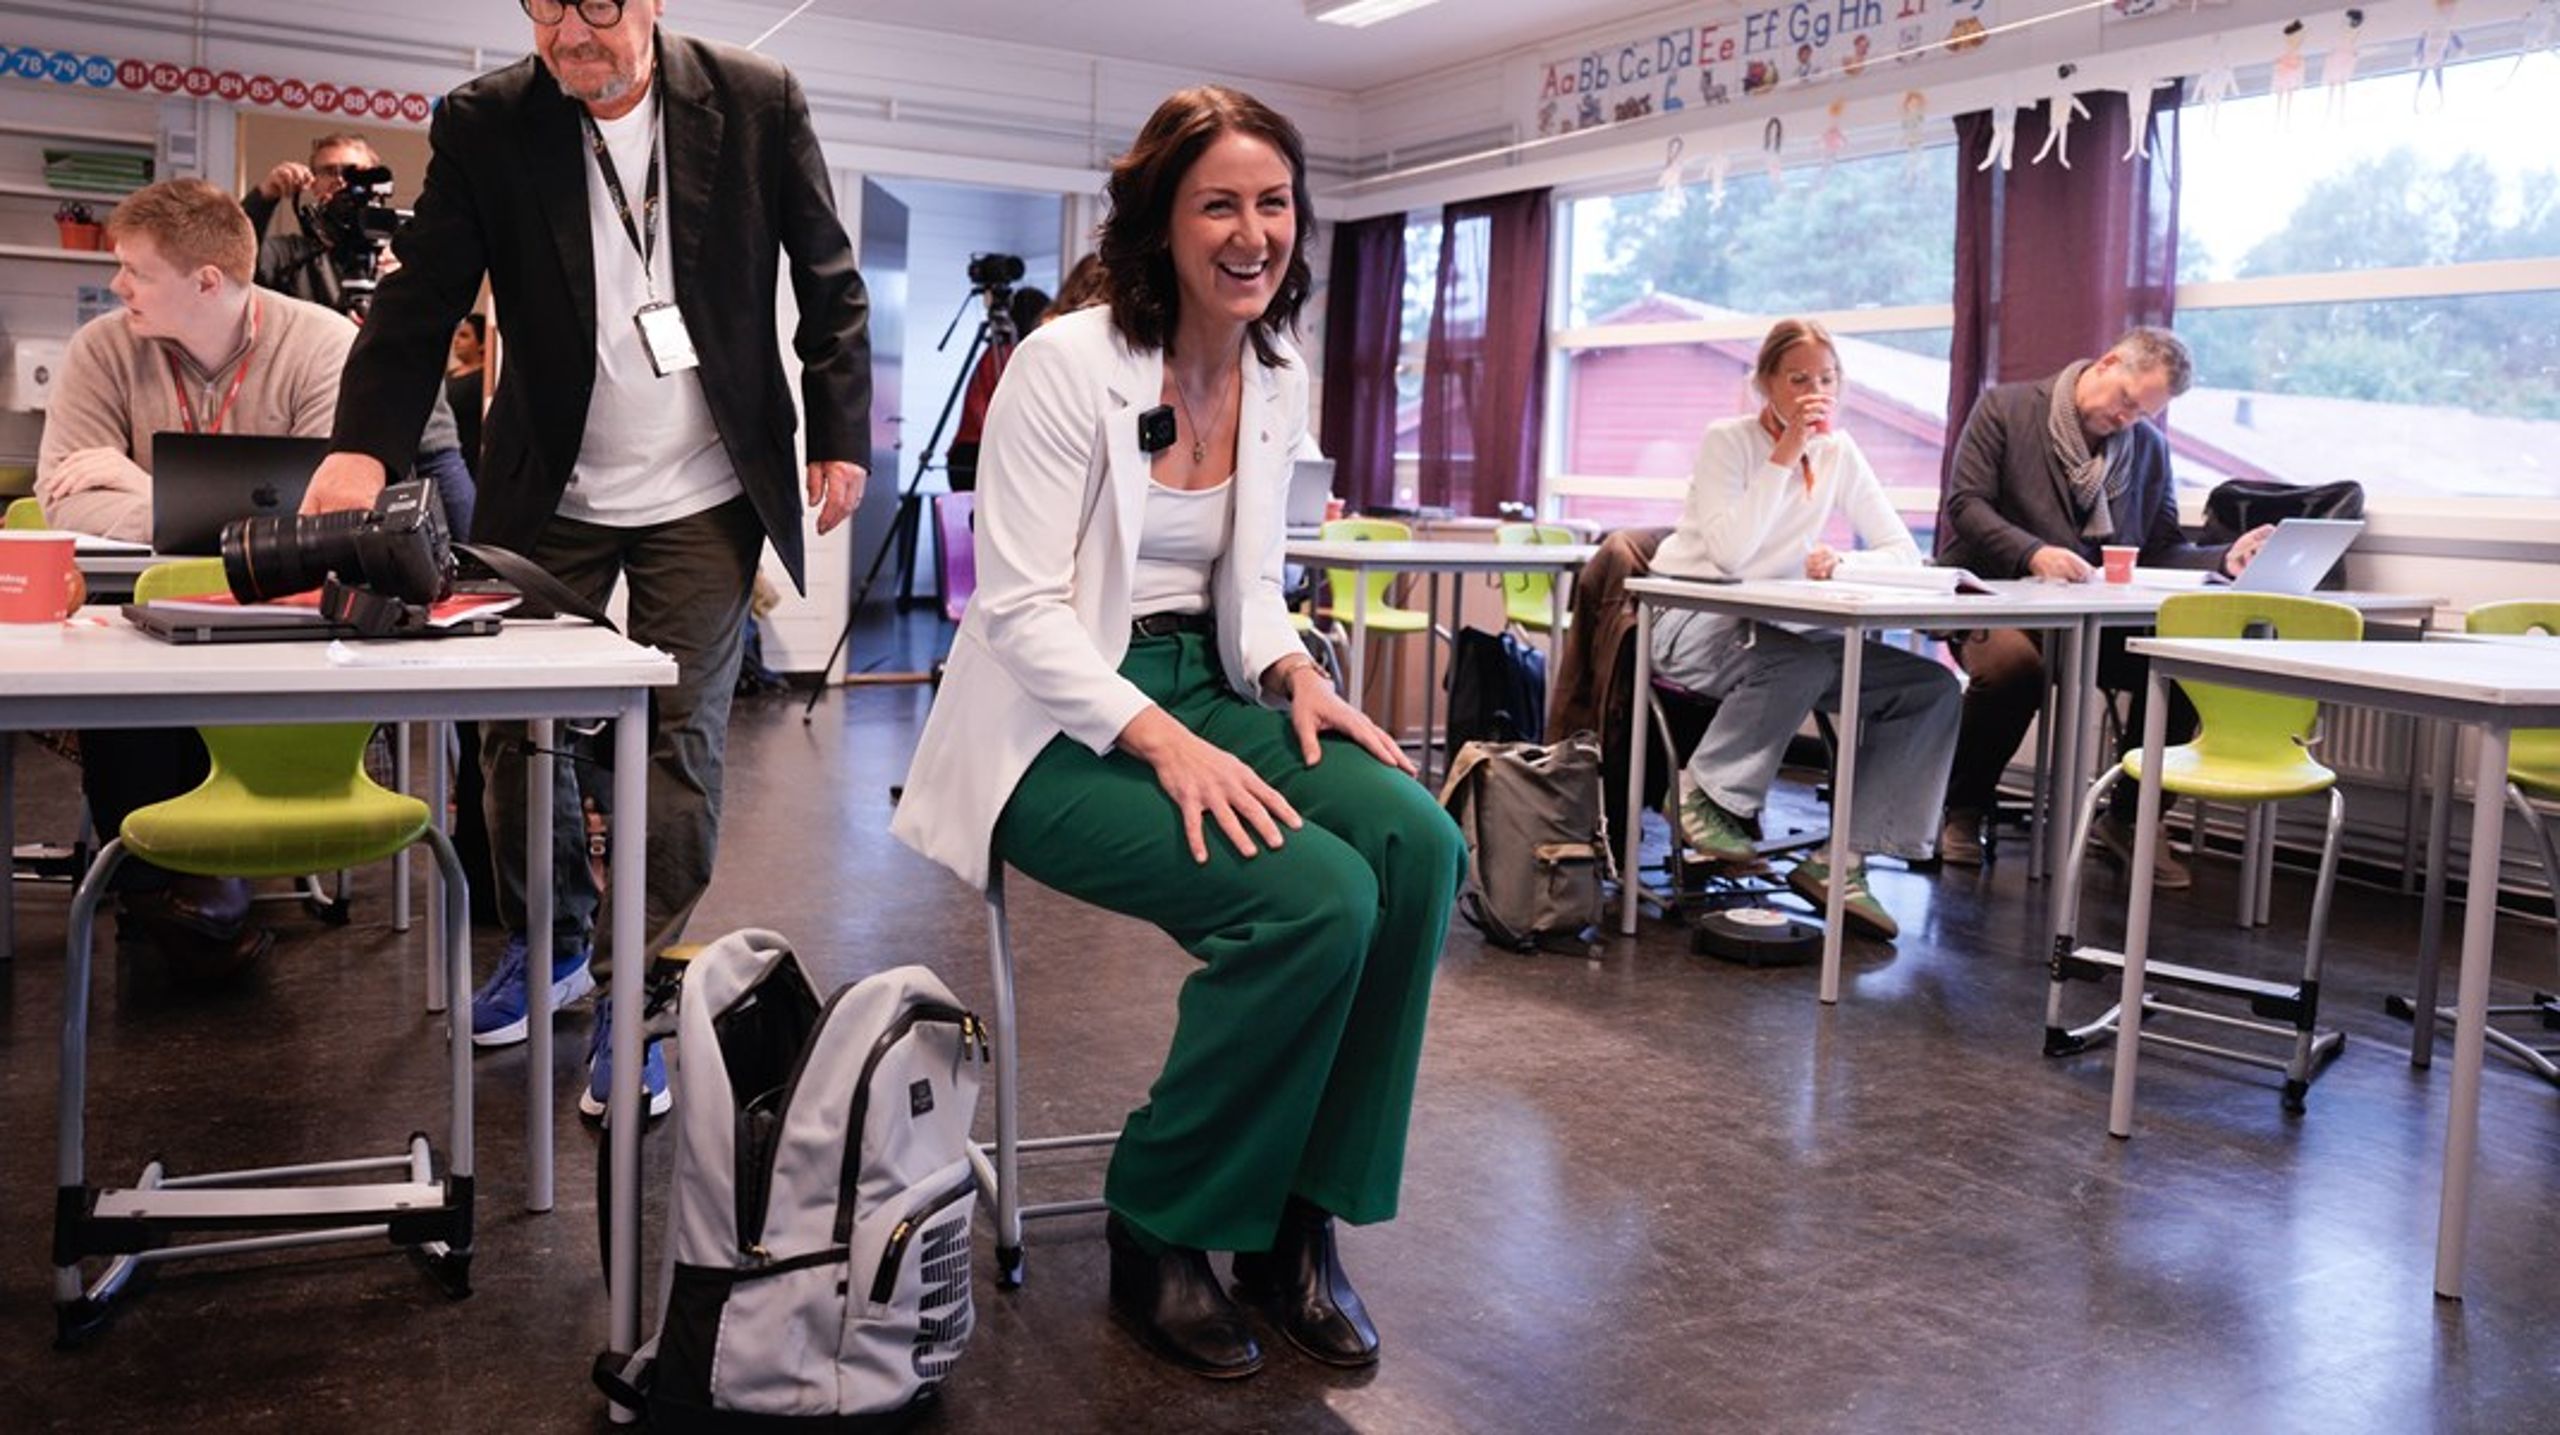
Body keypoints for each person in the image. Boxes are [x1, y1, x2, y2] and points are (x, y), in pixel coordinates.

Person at [892, 86, 1463, 1380]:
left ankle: (1295, 1217)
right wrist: (1159, 738)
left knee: (1417, 846)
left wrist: (1290, 667)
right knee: (1315, 898)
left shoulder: (1273, 370)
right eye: (1220, 203)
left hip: (1207, 686)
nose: (1252, 231)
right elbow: (1020, 606)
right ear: (1161, 221)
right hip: (1052, 721)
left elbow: (1249, 580)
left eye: (1274, 203)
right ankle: (1162, 1215)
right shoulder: (1064, 361)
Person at [308, 0, 872, 1115]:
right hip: (551, 480)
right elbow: (421, 302)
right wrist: (360, 450)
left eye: (601, 1)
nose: (575, 27)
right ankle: (553, 941)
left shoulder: (755, 104)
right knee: (518, 734)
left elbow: (827, 278)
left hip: (707, 486)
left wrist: (841, 429)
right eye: (547, 3)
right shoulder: (486, 121)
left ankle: (637, 996)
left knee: (678, 743)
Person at [31, 177, 358, 977]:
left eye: (135, 270)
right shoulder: (104, 349)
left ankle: (190, 891)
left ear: (206, 281)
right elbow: (61, 499)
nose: (118, 286)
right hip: (144, 617)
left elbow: (325, 527)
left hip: (288, 624)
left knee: (187, 682)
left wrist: (146, 490)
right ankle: (165, 887)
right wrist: (247, 517)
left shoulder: (324, 346)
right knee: (131, 679)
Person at [1646, 319, 1961, 940]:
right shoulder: (1728, 442)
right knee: (1800, 662)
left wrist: (1843, 561)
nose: (1814, 390)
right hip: (1692, 620)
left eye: (1826, 378)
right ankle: (1702, 798)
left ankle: (1841, 861)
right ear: (1766, 383)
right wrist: (1785, 452)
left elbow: (1902, 551)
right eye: (1797, 379)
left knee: (1931, 690)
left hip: (1787, 632)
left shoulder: (1841, 454)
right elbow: (1733, 555)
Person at [1933, 326, 2274, 884]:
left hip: (2095, 619)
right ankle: (1963, 810)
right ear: (2108, 362)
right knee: (2013, 668)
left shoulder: (2146, 449)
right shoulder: (2007, 408)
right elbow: (1966, 505)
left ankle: (2129, 819)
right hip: (1998, 601)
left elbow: (2163, 546)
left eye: (2142, 415)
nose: (2127, 420)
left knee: (2185, 665)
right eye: (2127, 402)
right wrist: (2033, 552)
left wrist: (2225, 557)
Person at [246, 132, 477, 543]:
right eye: (330, 171)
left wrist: (404, 279)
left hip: (428, 433)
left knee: (474, 553)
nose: (342, 181)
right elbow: (235, 265)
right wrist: (264, 198)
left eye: (356, 173)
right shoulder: (289, 254)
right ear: (311, 182)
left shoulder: (408, 248)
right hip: (332, 438)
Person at [446, 313, 486, 474]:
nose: (456, 340)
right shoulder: (449, 375)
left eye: (464, 336)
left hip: (469, 458)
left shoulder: (484, 379)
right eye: (457, 334)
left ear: (481, 344)